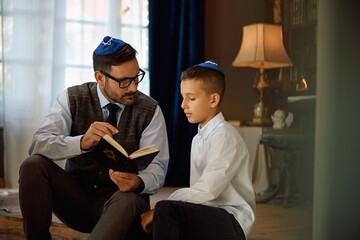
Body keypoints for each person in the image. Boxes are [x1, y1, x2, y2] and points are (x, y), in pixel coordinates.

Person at [18, 36, 169, 240]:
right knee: (33, 165)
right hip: (77, 201)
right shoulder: (72, 98)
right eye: (124, 81)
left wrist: (139, 182)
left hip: (122, 204)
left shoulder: (151, 110)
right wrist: (81, 142)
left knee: (129, 198)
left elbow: (158, 167)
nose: (133, 87)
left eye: (136, 77)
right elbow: (39, 144)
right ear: (100, 77)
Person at [140, 60, 256, 240]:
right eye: (182, 97)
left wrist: (163, 205)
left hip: (232, 222)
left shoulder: (224, 136)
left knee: (165, 210)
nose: (183, 105)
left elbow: (207, 190)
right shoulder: (198, 137)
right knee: (150, 224)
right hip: (206, 214)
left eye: (191, 98)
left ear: (213, 99)